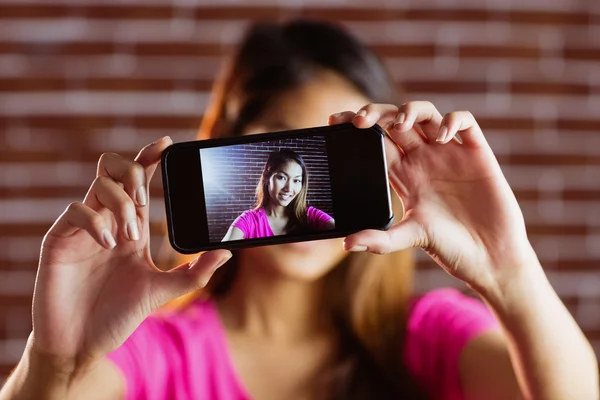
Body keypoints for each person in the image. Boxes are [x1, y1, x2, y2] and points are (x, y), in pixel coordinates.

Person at [1, 19, 598, 400]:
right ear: (248, 160)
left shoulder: (429, 338)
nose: (291, 185)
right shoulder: (150, 351)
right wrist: (57, 364)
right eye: (278, 158)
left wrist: (509, 268)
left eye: (333, 158)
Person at [222, 148, 335, 241]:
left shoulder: (311, 215)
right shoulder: (249, 220)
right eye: (282, 177)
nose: (289, 188)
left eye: (296, 181)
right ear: (267, 178)